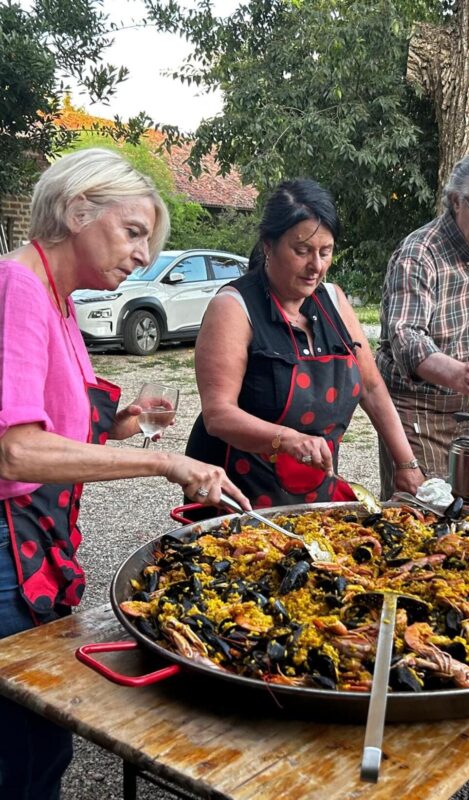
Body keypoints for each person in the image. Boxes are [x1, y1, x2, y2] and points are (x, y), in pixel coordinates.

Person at [0, 148, 249, 800]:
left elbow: (57, 430)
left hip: (37, 554)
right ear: (77, 209)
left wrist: (127, 422)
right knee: (18, 757)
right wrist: (165, 459)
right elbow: (16, 453)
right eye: (134, 232)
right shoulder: (17, 287)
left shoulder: (60, 301)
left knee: (40, 744)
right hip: (6, 559)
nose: (144, 256)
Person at [185, 178, 425, 512]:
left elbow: (371, 387)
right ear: (268, 245)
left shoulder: (334, 300)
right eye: (302, 251)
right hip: (239, 496)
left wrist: (406, 465)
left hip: (316, 494)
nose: (316, 266)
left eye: (325, 252)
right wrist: (288, 440)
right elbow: (218, 415)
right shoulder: (234, 307)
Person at [376, 147, 469, 499]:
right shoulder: (419, 253)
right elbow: (406, 338)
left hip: (467, 410)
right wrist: (460, 374)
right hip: (417, 410)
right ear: (456, 201)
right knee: (425, 509)